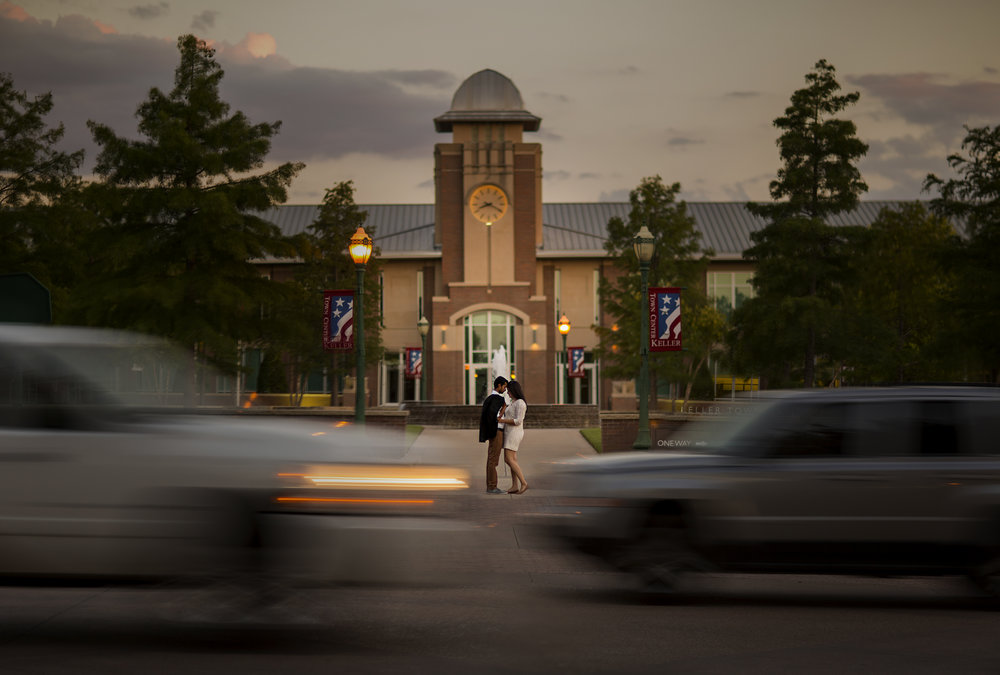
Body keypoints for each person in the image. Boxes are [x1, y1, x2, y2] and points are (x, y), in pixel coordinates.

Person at [498, 379, 528, 494]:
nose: (508, 393)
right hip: (509, 432)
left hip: (514, 432)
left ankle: (524, 483)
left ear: (515, 390)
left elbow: (518, 421)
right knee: (512, 459)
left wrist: (502, 420)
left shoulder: (520, 403)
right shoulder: (513, 402)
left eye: (509, 391)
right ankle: (515, 485)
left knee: (508, 459)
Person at [478, 376, 508, 494]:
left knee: (491, 459)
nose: (505, 389)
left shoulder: (491, 399)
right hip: (496, 432)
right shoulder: (496, 399)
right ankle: (492, 486)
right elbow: (492, 416)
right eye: (504, 386)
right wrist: (499, 417)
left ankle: (491, 485)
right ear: (499, 386)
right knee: (493, 460)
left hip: (493, 432)